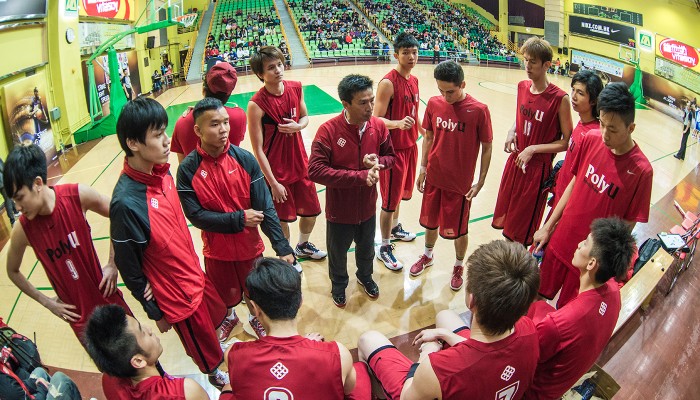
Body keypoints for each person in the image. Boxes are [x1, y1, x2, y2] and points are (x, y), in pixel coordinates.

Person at [110, 97, 229, 389]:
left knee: (217, 323)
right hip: (178, 299)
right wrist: (156, 311)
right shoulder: (126, 203)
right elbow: (130, 268)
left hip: (193, 274)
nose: (166, 142)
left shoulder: (161, 174)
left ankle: (216, 355)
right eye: (157, 135)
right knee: (205, 352)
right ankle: (215, 374)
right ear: (134, 143)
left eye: (165, 132)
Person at [357, 240, 540, 400]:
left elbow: (408, 396)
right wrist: (445, 334)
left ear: (471, 299)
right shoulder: (530, 330)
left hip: (424, 385)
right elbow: (488, 353)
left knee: (368, 339)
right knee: (445, 316)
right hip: (492, 381)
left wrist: (426, 355)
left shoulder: (437, 369)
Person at [177, 97, 296, 340]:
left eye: (226, 122)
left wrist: (282, 246)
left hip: (250, 249)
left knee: (254, 292)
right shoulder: (188, 169)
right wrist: (239, 219)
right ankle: (230, 318)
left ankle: (255, 318)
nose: (223, 130)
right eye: (214, 124)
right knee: (223, 296)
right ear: (198, 130)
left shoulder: (245, 159)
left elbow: (265, 207)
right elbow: (196, 216)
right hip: (216, 252)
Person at [533, 82, 653, 308]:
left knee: (566, 311)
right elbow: (574, 184)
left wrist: (602, 260)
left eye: (613, 129)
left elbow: (627, 225)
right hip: (561, 240)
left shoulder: (642, 171)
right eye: (602, 124)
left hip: (589, 258)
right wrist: (548, 227)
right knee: (536, 297)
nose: (605, 134)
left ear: (631, 128)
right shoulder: (591, 139)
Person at [4, 144, 130, 344]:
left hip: (107, 298)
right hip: (80, 319)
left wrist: (113, 264)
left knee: (141, 357)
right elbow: (12, 271)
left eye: (20, 198)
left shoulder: (77, 195)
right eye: (13, 201)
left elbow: (118, 213)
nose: (18, 208)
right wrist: (47, 302)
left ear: (38, 183)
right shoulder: (22, 230)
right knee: (112, 372)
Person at [219, 258, 371, 399]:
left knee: (229, 387)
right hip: (320, 356)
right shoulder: (337, 353)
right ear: (300, 301)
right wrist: (307, 345)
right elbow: (348, 390)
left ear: (254, 308)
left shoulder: (233, 354)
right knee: (360, 369)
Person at [308, 74, 396, 307]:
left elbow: (391, 158)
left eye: (371, 100)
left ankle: (365, 277)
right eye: (363, 102)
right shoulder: (328, 131)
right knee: (337, 254)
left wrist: (378, 161)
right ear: (345, 104)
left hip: (367, 207)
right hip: (340, 210)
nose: (370, 107)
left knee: (367, 249)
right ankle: (339, 285)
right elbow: (315, 171)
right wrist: (359, 177)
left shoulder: (377, 126)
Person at [524, 218, 635, 400]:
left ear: (592, 263)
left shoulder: (560, 323)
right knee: (540, 306)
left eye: (584, 243)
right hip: (564, 381)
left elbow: (523, 358)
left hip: (532, 392)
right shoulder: (614, 292)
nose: (578, 244)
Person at [409, 60, 493, 291]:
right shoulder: (435, 104)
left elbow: (487, 146)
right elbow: (428, 137)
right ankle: (427, 255)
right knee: (430, 221)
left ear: (462, 84)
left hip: (460, 184)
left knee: (460, 229)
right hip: (435, 176)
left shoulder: (478, 110)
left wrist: (481, 180)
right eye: (441, 91)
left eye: (451, 91)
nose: (445, 96)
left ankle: (458, 265)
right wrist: (423, 168)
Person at [248, 46, 326, 264]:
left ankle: (302, 245)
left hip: (301, 164)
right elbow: (258, 150)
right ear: (260, 74)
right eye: (271, 68)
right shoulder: (256, 105)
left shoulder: (295, 88)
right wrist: (272, 183)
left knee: (311, 212)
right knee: (282, 220)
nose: (278, 70)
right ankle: (288, 256)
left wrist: (298, 127)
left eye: (280, 64)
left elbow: (305, 116)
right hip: (277, 172)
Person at [492, 37, 573, 246]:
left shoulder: (559, 98)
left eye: (533, 62)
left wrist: (533, 149)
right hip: (516, 161)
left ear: (547, 65)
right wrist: (512, 130)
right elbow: (521, 115)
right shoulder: (522, 87)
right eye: (526, 60)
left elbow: (566, 141)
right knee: (509, 220)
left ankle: (517, 269)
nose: (527, 66)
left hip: (537, 169)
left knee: (523, 229)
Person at [84, 304, 209, 400]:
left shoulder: (108, 381)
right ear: (138, 361)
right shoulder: (186, 391)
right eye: (142, 332)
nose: (148, 329)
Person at [373, 32, 423, 271]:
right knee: (388, 202)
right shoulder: (387, 83)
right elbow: (376, 119)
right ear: (396, 55)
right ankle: (383, 246)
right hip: (393, 151)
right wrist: (397, 124)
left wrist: (427, 131)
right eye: (406, 52)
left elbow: (414, 114)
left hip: (411, 146)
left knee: (400, 195)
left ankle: (394, 228)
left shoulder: (414, 80)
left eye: (414, 52)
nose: (411, 56)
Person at [547, 70, 603, 214]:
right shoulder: (581, 122)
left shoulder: (594, 134)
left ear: (594, 100)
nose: (573, 96)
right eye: (573, 90)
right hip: (560, 194)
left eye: (580, 93)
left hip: (568, 205)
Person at [171, 63, 246, 162]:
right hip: (230, 174)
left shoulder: (182, 122)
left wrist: (199, 109)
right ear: (229, 93)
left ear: (203, 90)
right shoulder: (239, 116)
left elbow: (182, 163)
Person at [0, 155, 18, 225]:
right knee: (8, 199)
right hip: (2, 182)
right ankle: (12, 220)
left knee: (8, 196)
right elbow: (2, 168)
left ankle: (15, 211)